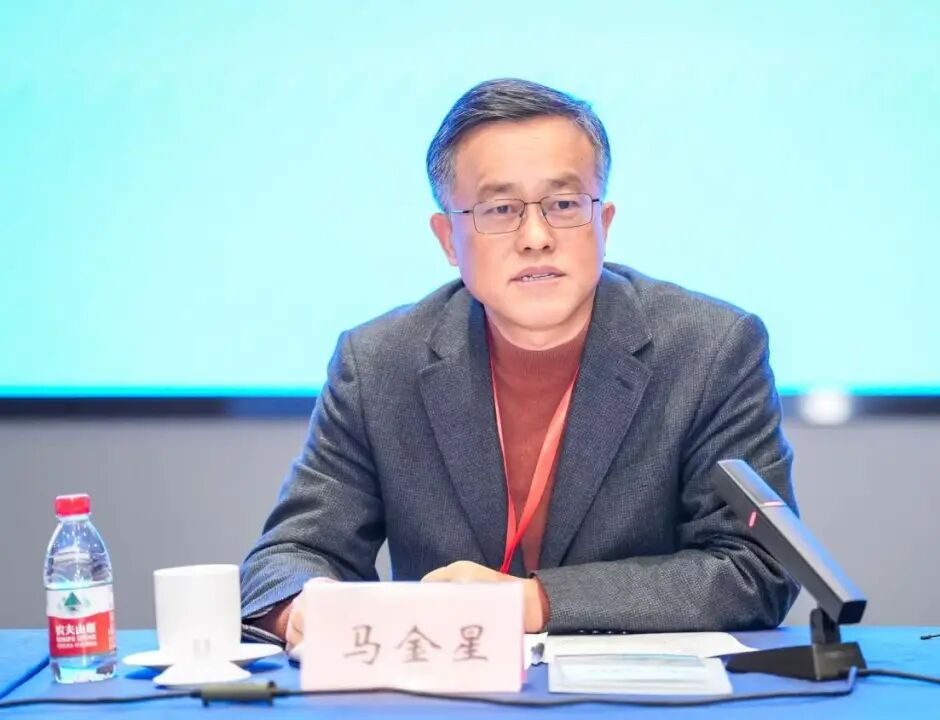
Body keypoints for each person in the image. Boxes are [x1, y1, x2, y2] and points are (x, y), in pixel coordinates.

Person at [240, 78, 798, 651]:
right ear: (448, 239)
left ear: (603, 223)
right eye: (500, 209)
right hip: (447, 691)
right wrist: (302, 608)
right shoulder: (380, 364)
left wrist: (533, 602)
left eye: (564, 205)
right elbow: (289, 556)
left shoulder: (711, 349)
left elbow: (754, 568)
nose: (535, 237)